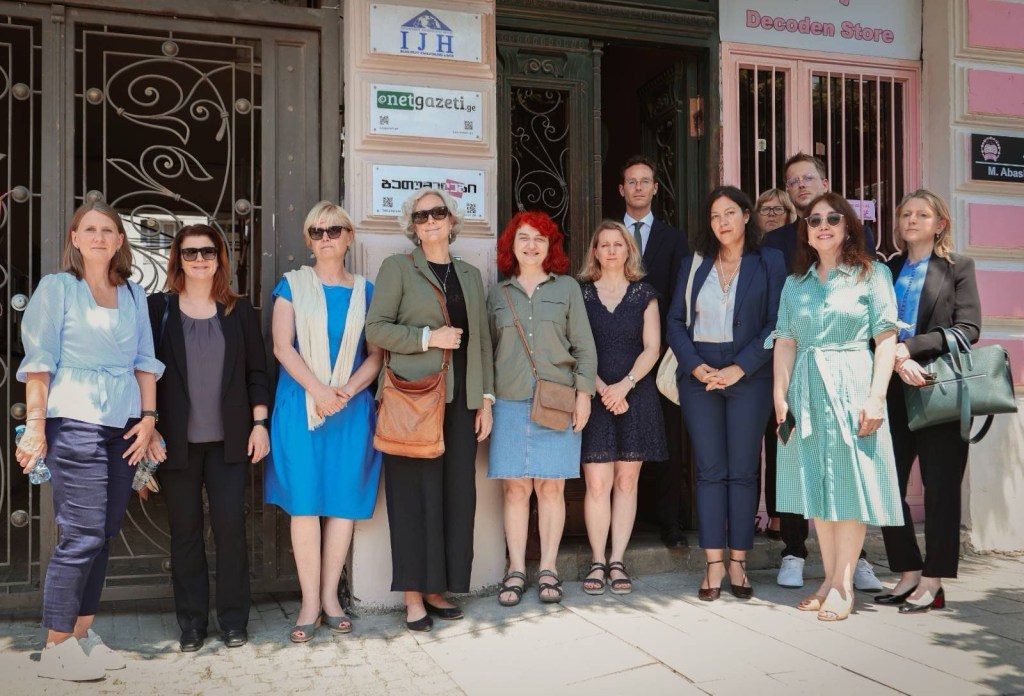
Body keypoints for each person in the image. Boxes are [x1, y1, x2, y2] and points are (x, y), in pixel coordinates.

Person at [16, 201, 164, 681]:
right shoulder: (57, 288)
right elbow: (39, 362)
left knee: (103, 534)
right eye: (90, 229)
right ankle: (55, 646)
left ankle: (81, 634)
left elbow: (145, 360)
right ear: (75, 239)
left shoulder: (134, 293)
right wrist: (35, 426)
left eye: (108, 230)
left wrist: (149, 419)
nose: (99, 237)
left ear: (120, 240)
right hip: (74, 419)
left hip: (124, 423)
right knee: (80, 535)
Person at [769, 192, 903, 621]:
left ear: (847, 227)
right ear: (805, 232)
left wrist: (876, 397)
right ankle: (828, 578)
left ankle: (844, 585)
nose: (823, 226)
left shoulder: (872, 274)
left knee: (850, 487)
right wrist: (780, 396)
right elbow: (785, 341)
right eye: (814, 220)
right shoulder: (795, 284)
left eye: (832, 219)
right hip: (806, 390)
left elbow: (886, 339)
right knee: (818, 485)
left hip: (853, 384)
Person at [365, 188, 493, 632]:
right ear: (413, 227)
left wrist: (485, 400)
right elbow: (376, 329)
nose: (431, 220)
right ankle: (413, 596)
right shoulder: (398, 268)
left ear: (452, 220)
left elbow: (481, 342)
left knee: (456, 498)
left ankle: (439, 587)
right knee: (412, 499)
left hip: (459, 405)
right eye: (421, 216)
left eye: (438, 212)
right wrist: (428, 338)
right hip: (413, 400)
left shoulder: (470, 275)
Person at [146, 224, 270, 652]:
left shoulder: (239, 311)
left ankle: (234, 620)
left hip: (229, 443)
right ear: (178, 259)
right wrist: (148, 427)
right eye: (190, 252)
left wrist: (260, 424)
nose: (199, 259)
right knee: (185, 532)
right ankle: (192, 624)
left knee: (230, 528)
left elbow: (257, 371)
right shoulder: (158, 309)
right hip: (174, 443)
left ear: (220, 258)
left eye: (208, 252)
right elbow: (142, 373)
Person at [265, 202, 383, 642]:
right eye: (317, 231)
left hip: (350, 409)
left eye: (334, 229)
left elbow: (376, 355)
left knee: (342, 503)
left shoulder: (367, 291)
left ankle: (331, 598)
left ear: (349, 236)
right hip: (302, 407)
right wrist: (319, 391)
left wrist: (344, 392)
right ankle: (309, 602)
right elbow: (282, 346)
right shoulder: (292, 285)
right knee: (305, 503)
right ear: (308, 240)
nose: (326, 237)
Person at [666, 186, 785, 601]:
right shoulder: (694, 263)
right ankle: (713, 564)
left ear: (746, 216)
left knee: (743, 470)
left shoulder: (769, 261)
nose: (722, 222)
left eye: (730, 213)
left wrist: (740, 368)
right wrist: (694, 366)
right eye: (715, 216)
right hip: (700, 375)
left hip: (749, 375)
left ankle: (739, 561)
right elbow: (675, 321)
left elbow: (777, 323)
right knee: (710, 470)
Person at [877, 190, 982, 614]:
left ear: (940, 224)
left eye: (922, 214)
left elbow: (968, 328)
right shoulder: (887, 269)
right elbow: (873, 325)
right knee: (886, 485)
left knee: (940, 489)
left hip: (939, 389)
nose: (912, 220)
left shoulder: (958, 267)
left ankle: (933, 581)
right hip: (890, 390)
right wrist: (894, 357)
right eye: (906, 213)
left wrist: (911, 348)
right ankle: (908, 572)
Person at [488, 211, 597, 606]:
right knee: (515, 488)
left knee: (551, 487)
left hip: (556, 400)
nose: (531, 245)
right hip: (509, 401)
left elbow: (584, 346)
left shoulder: (567, 288)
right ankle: (516, 569)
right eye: (524, 238)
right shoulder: (497, 294)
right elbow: (487, 352)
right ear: (511, 245)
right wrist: (485, 402)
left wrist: (584, 395)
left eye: (540, 238)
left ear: (550, 246)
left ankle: (549, 568)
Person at [578, 221, 667, 595]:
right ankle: (597, 560)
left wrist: (624, 386)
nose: (612, 250)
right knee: (598, 483)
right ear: (595, 252)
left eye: (619, 244)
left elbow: (653, 348)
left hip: (635, 395)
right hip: (594, 395)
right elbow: (574, 346)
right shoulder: (581, 294)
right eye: (605, 245)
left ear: (629, 250)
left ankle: (617, 560)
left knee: (627, 482)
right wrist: (601, 388)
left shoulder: (645, 293)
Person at [618, 154, 690, 549]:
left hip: (661, 352)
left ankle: (670, 523)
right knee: (619, 435)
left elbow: (681, 295)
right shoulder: (609, 234)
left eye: (645, 181)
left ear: (655, 188)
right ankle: (618, 526)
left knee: (667, 437)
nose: (638, 187)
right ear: (621, 189)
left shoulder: (673, 238)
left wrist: (670, 343)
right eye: (632, 181)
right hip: (616, 350)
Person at [754, 186, 797, 539]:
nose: (770, 214)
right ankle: (748, 513)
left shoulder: (795, 252)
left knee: (780, 437)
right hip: (755, 357)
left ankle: (780, 515)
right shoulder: (751, 250)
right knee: (749, 440)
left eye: (778, 209)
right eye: (765, 209)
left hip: (787, 357)